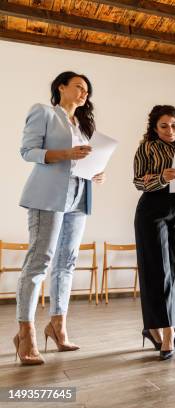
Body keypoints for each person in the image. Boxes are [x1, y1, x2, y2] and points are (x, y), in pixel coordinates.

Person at [15, 71, 105, 365]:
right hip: (48, 197)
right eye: (79, 87)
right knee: (39, 261)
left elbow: (82, 160)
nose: (84, 93)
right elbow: (28, 152)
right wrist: (68, 153)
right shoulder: (43, 112)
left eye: (87, 91)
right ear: (61, 87)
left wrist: (95, 171)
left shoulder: (81, 125)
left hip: (79, 198)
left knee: (67, 262)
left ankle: (58, 326)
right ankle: (25, 332)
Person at [133, 105, 175, 361]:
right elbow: (137, 181)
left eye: (174, 125)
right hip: (152, 210)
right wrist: (162, 178)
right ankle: (168, 331)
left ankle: (155, 327)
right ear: (155, 127)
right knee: (157, 271)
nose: (170, 130)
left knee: (174, 271)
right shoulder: (146, 147)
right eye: (164, 126)